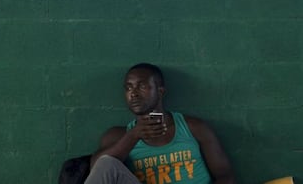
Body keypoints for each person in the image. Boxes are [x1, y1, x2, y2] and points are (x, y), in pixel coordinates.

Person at [85, 63, 235, 184]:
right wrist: (134, 135)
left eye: (142, 86)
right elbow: (97, 171)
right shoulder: (118, 135)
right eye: (129, 87)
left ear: (161, 91)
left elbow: (226, 177)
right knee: (106, 163)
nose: (134, 93)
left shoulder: (193, 127)